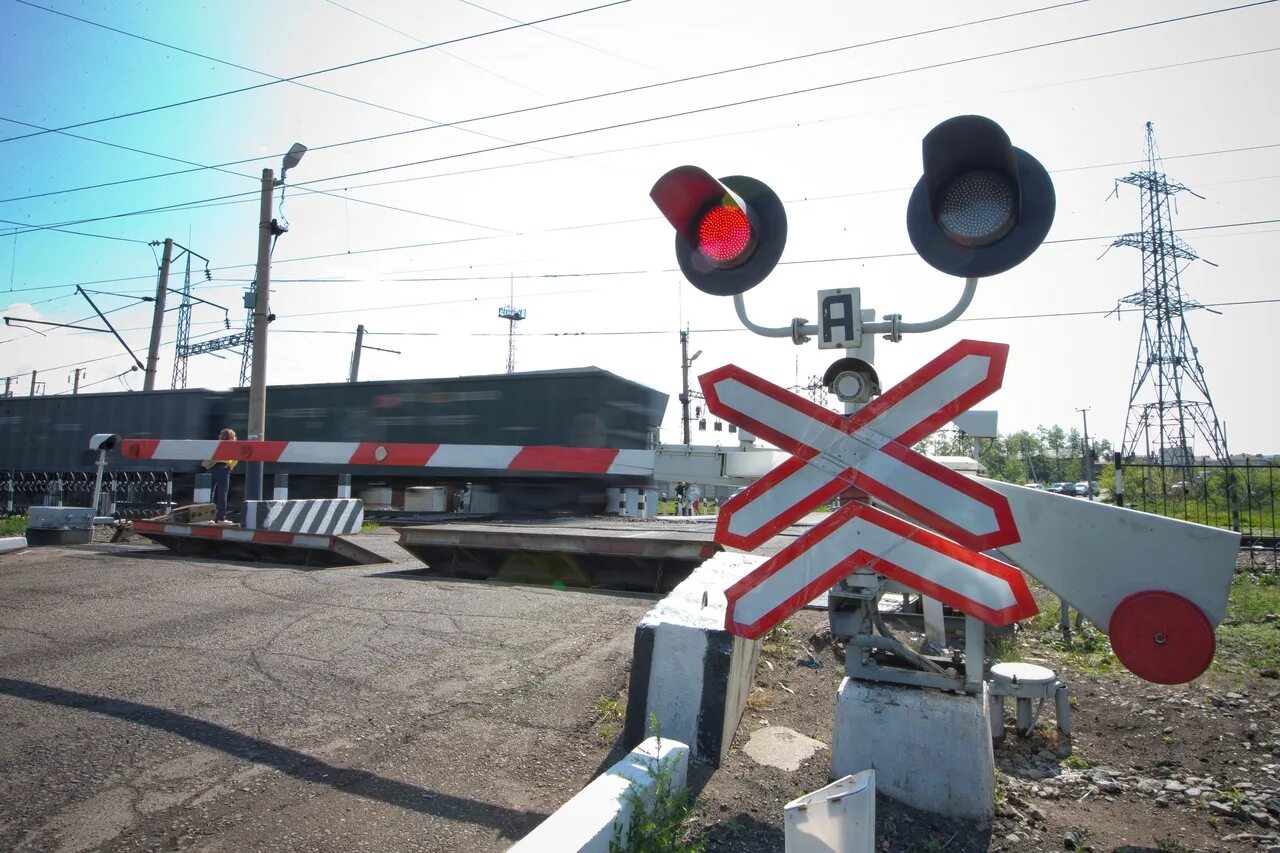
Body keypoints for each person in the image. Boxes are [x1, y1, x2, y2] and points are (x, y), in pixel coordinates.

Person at [202, 428, 239, 523]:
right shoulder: (233, 446)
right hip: (224, 469)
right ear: (232, 437)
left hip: (211, 469)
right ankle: (221, 518)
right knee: (222, 494)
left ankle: (207, 518)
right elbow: (235, 460)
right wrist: (230, 467)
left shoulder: (216, 445)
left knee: (209, 493)